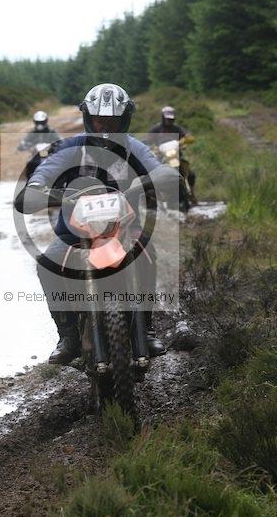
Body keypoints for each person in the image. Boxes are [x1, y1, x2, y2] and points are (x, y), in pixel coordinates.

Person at [14, 84, 179, 365]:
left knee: (147, 253)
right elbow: (41, 176)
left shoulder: (134, 147)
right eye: (100, 120)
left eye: (113, 121)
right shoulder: (70, 148)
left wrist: (155, 178)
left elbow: (160, 169)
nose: (106, 126)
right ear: (89, 119)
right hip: (73, 233)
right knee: (47, 264)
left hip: (124, 228)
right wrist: (42, 191)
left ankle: (146, 328)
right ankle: (68, 336)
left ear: (125, 120)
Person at [147, 106, 197, 204]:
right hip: (161, 156)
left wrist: (183, 141)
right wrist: (153, 148)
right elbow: (146, 140)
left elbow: (189, 137)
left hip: (176, 156)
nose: (169, 121)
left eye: (171, 119)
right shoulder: (157, 129)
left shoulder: (177, 129)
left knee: (191, 174)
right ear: (163, 118)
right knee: (149, 173)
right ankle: (152, 194)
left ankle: (192, 194)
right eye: (167, 119)